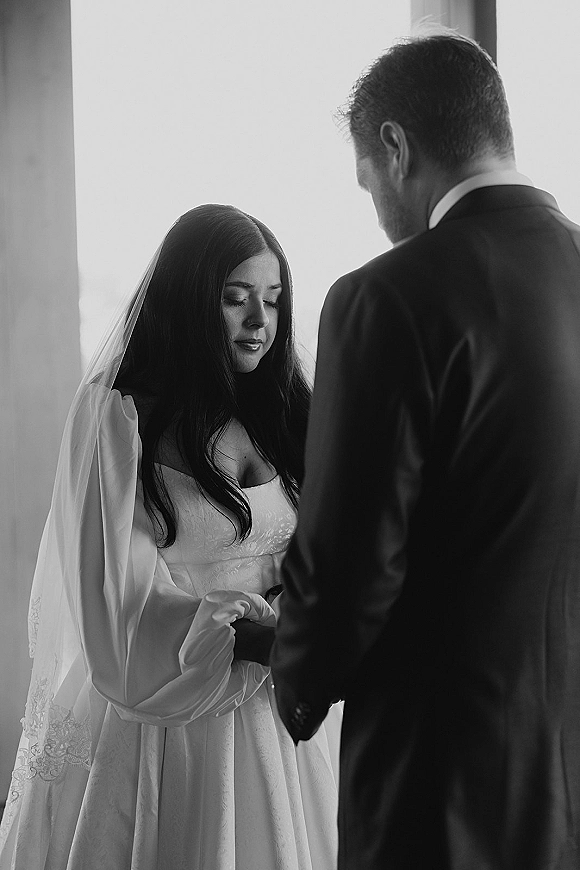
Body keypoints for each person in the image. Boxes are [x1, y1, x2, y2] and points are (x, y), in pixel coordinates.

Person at [271, 32, 580, 870]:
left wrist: (294, 683)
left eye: (368, 181)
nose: (376, 209)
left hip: (439, 782)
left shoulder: (387, 298)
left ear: (395, 146)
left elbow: (351, 563)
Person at [0, 204, 340, 870]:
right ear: (188, 301)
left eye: (272, 301)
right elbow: (115, 594)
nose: (259, 322)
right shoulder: (117, 414)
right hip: (168, 708)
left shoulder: (280, 408)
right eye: (235, 299)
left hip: (282, 711)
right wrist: (245, 635)